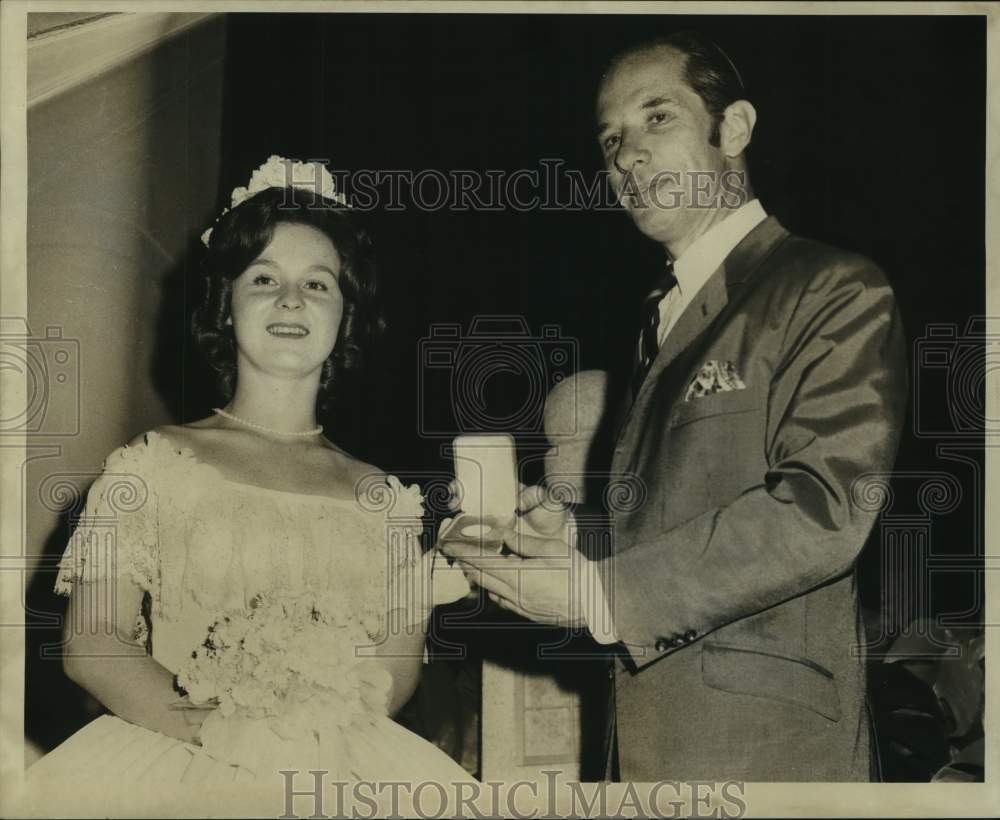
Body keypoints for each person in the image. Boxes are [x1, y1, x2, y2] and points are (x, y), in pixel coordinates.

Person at [442, 32, 907, 782]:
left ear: (736, 128)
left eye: (657, 118)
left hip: (768, 755)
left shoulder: (830, 287)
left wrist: (599, 591)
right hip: (647, 751)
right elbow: (679, 522)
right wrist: (570, 544)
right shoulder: (657, 323)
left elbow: (826, 508)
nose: (627, 155)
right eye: (611, 139)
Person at [21, 157, 473, 814]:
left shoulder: (387, 498)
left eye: (318, 285)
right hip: (179, 762)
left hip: (341, 774)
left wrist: (313, 734)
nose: (292, 300)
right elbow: (94, 643)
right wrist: (219, 730)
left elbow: (396, 669)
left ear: (346, 317)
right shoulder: (152, 466)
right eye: (264, 278)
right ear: (225, 306)